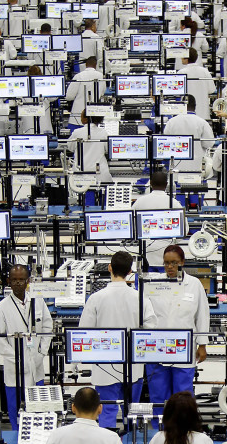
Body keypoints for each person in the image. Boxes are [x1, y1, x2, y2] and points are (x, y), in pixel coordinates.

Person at [78, 251, 156, 427]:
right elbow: (151, 330)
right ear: (130, 272)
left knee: (106, 412)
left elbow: (84, 332)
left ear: (109, 268)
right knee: (132, 413)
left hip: (104, 367)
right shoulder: (140, 298)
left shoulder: (96, 298)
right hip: (133, 368)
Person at [144, 245, 209, 414]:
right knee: (158, 395)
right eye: (166, 263)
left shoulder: (194, 284)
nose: (170, 267)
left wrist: (202, 345)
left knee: (183, 394)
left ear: (183, 263)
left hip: (183, 349)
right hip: (156, 349)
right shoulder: (153, 283)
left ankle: (184, 428)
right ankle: (161, 430)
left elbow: (202, 315)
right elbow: (143, 315)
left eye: (174, 263)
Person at [0, 264, 53, 429]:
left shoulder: (38, 301)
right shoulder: (1, 308)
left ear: (28, 281)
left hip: (37, 367)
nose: (18, 283)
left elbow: (47, 327)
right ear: (8, 281)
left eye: (21, 280)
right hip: (14, 370)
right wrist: (15, 357)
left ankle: (37, 438)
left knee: (39, 409)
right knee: (16, 411)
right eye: (14, 280)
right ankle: (18, 440)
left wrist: (42, 352)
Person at [132, 172, 185, 270]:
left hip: (145, 252)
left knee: (144, 282)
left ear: (150, 183)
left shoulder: (139, 202)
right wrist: (172, 242)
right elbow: (184, 231)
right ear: (166, 184)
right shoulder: (174, 203)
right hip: (167, 254)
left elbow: (132, 226)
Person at [163, 95, 214, 173]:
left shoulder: (171, 122)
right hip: (197, 165)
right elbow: (209, 144)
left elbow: (165, 143)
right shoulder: (202, 122)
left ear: (181, 105)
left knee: (177, 182)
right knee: (197, 184)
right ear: (195, 106)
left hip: (176, 165)